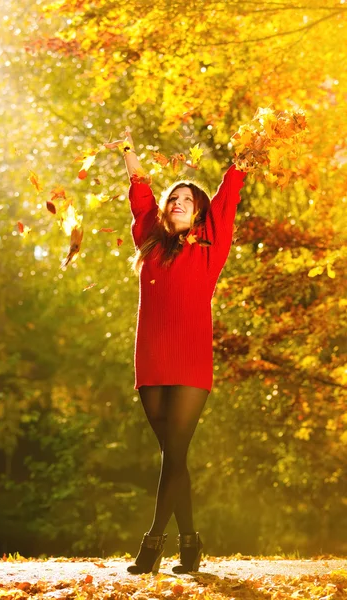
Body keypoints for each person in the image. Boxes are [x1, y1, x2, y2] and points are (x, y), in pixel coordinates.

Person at [105, 128, 247, 575]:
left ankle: (153, 543)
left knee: (175, 451)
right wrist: (127, 150)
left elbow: (228, 194)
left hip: (190, 360)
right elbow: (141, 194)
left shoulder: (210, 246)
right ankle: (190, 541)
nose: (179, 201)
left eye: (188, 198)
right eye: (175, 198)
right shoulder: (149, 240)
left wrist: (247, 156)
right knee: (173, 453)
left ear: (201, 212)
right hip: (150, 357)